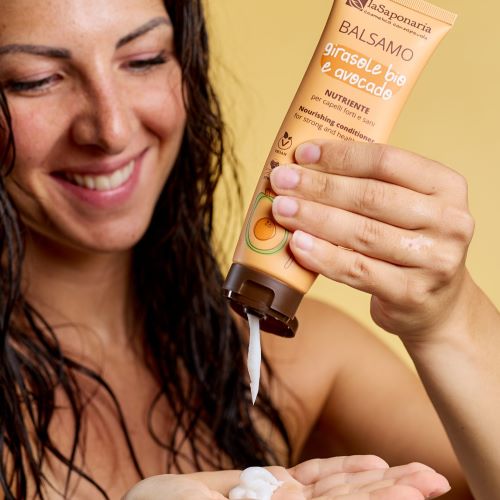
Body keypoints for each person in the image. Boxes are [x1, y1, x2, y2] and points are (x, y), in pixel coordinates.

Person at [0, 0, 497, 499]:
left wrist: (448, 318)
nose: (112, 130)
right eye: (34, 81)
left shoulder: (301, 361)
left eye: (145, 60)